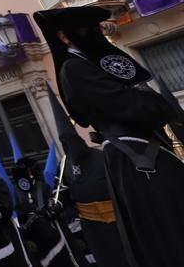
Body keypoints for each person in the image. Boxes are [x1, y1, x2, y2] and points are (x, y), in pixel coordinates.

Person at [34, 6, 184, 267]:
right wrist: (154, 101)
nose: (94, 33)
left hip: (142, 151)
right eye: (84, 29)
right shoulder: (74, 69)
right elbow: (133, 107)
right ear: (64, 37)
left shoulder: (89, 64)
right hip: (134, 157)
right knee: (166, 232)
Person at [45, 83, 127, 266]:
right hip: (90, 223)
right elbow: (60, 189)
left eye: (71, 141)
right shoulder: (65, 163)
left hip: (117, 218)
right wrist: (55, 203)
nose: (69, 146)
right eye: (64, 143)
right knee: (104, 259)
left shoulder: (102, 157)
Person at [10, 157, 73, 267]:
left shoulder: (42, 186)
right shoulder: (16, 190)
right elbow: (19, 210)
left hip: (49, 227)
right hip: (32, 232)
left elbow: (53, 205)